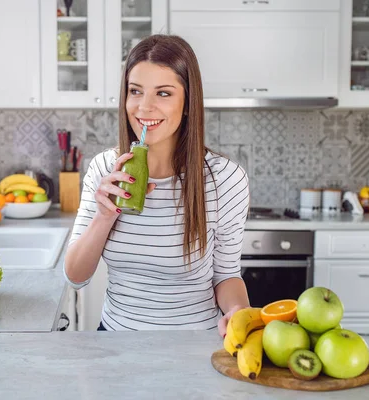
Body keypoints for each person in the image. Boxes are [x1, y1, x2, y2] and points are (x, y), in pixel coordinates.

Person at [63, 34, 250, 336]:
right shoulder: (104, 170)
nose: (144, 107)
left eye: (163, 94)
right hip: (114, 343)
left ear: (188, 103)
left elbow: (226, 276)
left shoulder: (225, 179)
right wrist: (104, 215)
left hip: (194, 348)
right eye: (135, 91)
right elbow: (75, 277)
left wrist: (238, 311)